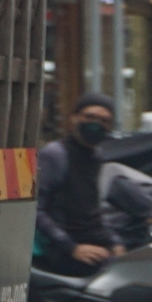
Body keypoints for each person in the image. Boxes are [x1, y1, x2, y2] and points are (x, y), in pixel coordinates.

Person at [35, 93, 122, 275]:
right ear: (73, 119)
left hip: (94, 245)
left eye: (104, 121)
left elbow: (92, 210)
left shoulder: (96, 157)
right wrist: (72, 248)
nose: (96, 125)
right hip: (65, 252)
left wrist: (114, 242)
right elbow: (37, 209)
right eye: (89, 117)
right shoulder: (56, 154)